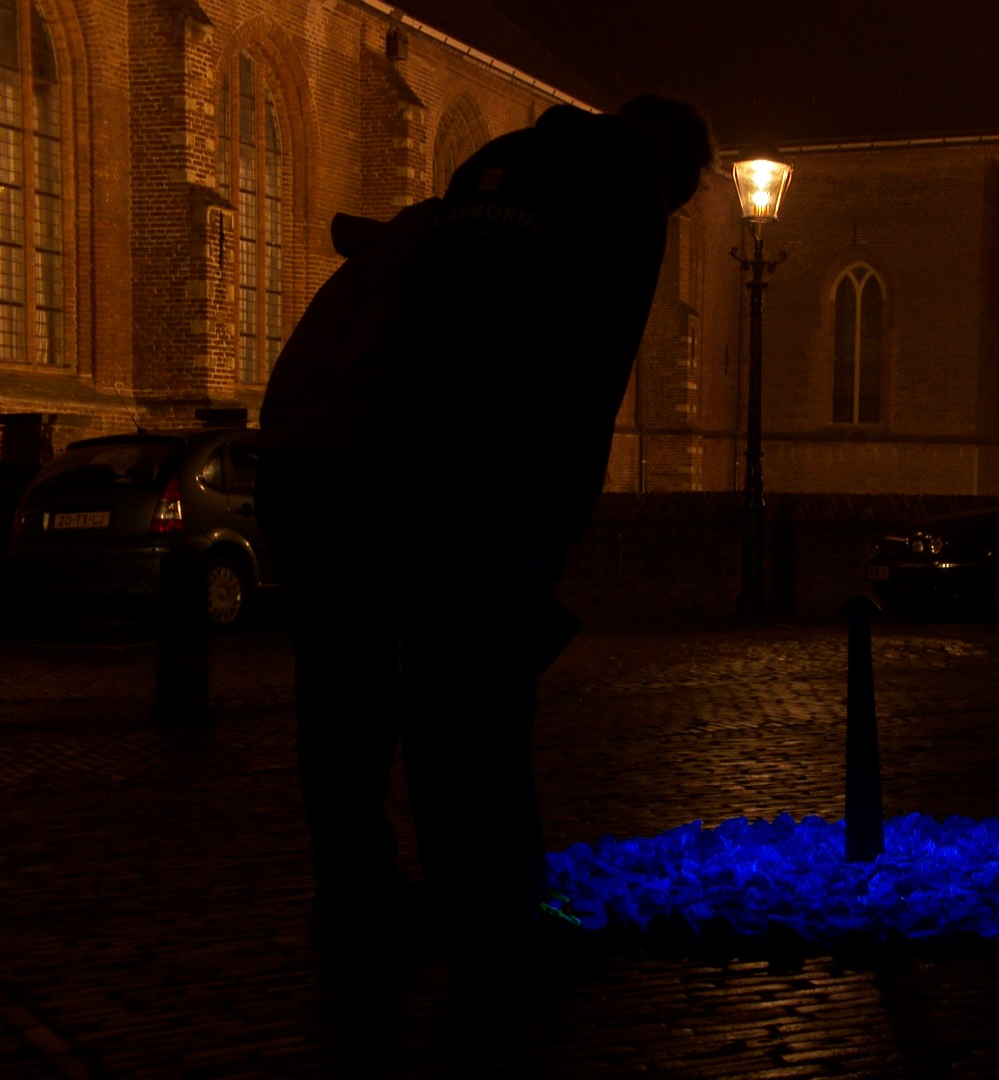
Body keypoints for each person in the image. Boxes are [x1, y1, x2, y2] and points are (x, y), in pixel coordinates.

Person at [256, 95, 715, 950]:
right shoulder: (610, 193)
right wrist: (500, 502)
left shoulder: (489, 185)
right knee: (427, 686)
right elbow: (566, 363)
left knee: (380, 687)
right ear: (672, 171)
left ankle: (402, 886)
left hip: (361, 465)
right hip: (369, 469)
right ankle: (462, 898)